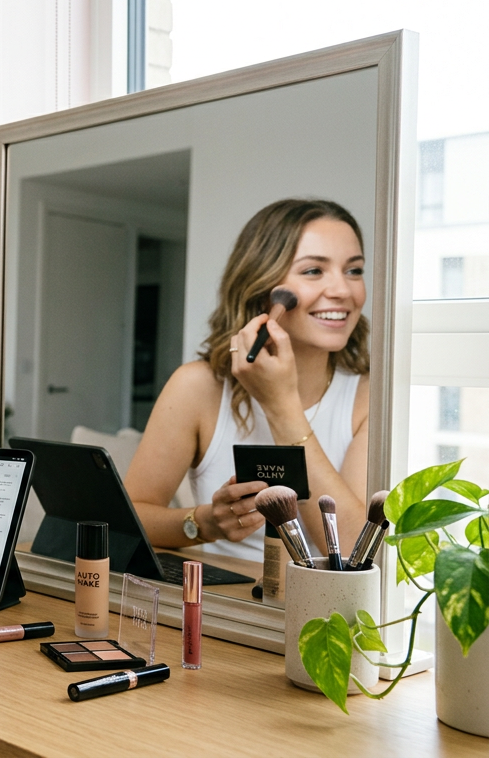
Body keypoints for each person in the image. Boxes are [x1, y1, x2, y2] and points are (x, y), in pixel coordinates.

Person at [124, 199, 370, 562]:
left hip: (330, 613)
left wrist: (282, 408)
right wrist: (204, 522)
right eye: (314, 271)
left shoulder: (368, 397)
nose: (343, 291)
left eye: (354, 270)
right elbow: (128, 520)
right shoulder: (197, 388)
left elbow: (353, 551)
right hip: (225, 610)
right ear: (262, 286)